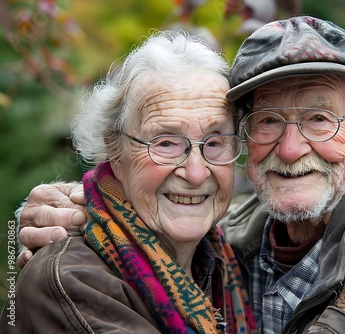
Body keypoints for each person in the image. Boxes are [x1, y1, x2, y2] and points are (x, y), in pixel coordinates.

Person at [12, 15, 345, 333]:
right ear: (113, 155)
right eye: (268, 121)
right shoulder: (237, 235)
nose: (290, 148)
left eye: (318, 118)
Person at [1, 31, 259, 333]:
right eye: (166, 143)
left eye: (215, 142)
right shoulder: (72, 282)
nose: (196, 173)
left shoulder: (228, 263)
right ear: (115, 149)